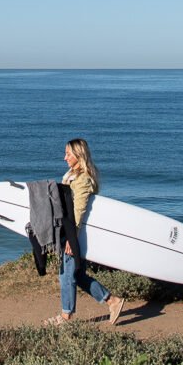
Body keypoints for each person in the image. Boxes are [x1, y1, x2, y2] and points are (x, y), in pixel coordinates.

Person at [46, 138, 125, 326]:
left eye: (68, 154)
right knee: (78, 276)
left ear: (78, 155)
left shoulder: (82, 180)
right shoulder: (73, 175)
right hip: (72, 232)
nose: (64, 158)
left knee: (66, 275)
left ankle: (65, 318)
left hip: (77, 234)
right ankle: (112, 301)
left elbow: (79, 210)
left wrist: (71, 239)